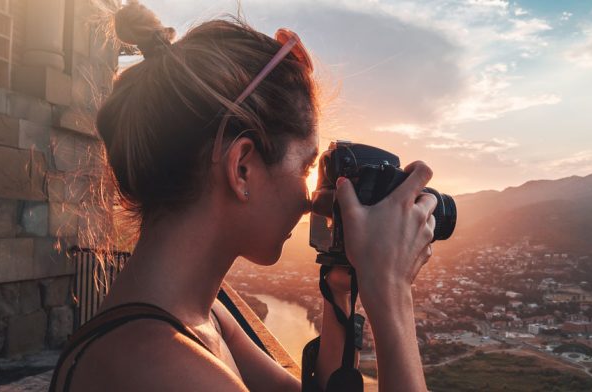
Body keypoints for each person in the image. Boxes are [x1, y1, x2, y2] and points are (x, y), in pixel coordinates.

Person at [50, 1, 437, 391]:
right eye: (305, 168)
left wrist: (340, 285)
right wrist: (392, 294)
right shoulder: (159, 366)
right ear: (242, 169)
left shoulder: (199, 318)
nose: (310, 201)